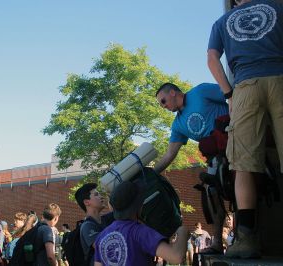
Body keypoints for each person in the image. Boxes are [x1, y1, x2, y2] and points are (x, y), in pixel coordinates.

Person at [207, 0, 283, 259]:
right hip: (280, 78)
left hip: (245, 87)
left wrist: (229, 92)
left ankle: (247, 239)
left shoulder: (222, 22)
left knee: (243, 165)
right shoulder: (277, 8)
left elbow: (212, 59)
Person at [154, 82, 229, 254]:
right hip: (215, 157)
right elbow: (169, 155)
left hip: (236, 141)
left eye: (163, 101)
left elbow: (232, 94)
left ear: (173, 92)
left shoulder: (201, 91)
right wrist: (148, 173)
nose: (163, 107)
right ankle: (217, 243)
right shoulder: (178, 124)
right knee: (211, 194)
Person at [94, 181, 189, 265]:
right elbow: (176, 257)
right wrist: (182, 231)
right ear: (139, 205)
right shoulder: (140, 232)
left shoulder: (101, 236)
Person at [75, 183, 107, 266]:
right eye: (96, 194)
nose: (101, 197)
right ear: (86, 202)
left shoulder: (105, 220)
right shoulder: (87, 226)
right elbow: (105, 248)